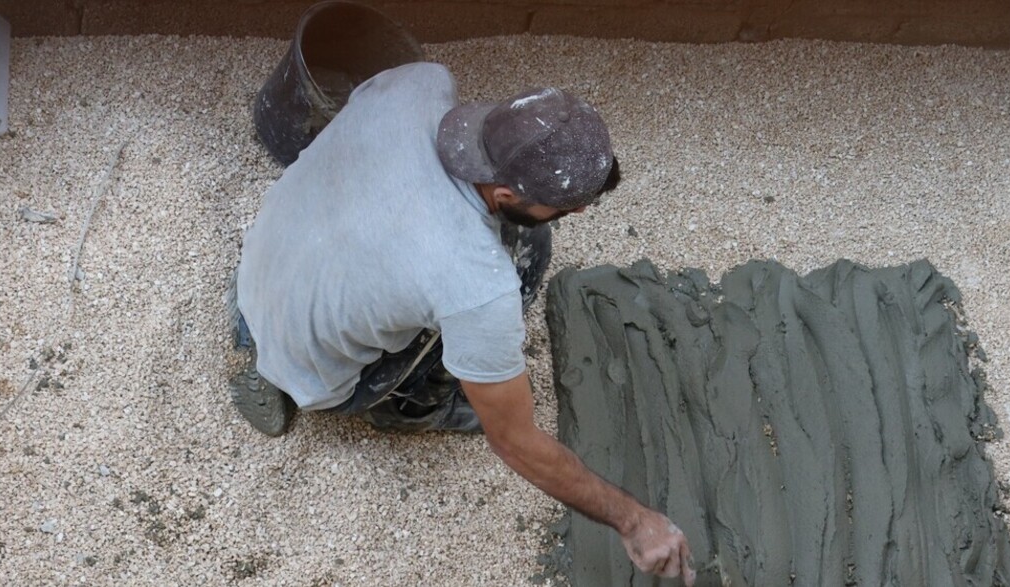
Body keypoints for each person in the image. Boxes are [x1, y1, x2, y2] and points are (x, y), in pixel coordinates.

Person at [229, 61, 696, 586]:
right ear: (503, 195)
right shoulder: (475, 284)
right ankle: (398, 406)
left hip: (267, 261)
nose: (579, 213)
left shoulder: (419, 83)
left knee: (465, 261)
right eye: (566, 207)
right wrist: (635, 521)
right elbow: (514, 440)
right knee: (527, 252)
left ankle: (250, 333)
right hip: (315, 365)